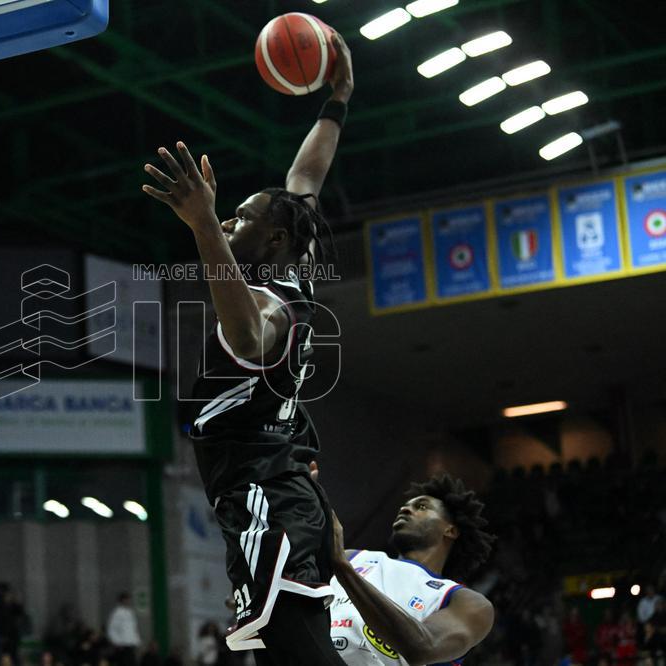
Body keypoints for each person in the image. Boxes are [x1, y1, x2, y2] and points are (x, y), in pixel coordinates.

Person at [142, 29, 354, 666]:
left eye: (241, 217)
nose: (231, 221)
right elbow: (306, 174)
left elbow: (244, 334)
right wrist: (337, 97)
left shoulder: (270, 306)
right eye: (227, 216)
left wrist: (205, 225)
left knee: (298, 652)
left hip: (267, 493)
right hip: (275, 489)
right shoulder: (299, 264)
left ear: (276, 239)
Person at [315, 470, 497, 665]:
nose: (405, 509)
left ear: (450, 530)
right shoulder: (354, 557)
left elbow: (422, 648)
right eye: (405, 505)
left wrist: (343, 568)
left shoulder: (464, 601)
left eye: (421, 506)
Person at [107, 592, 141, 666]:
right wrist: (117, 643)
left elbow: (134, 628)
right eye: (126, 599)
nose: (128, 601)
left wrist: (136, 641)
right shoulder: (117, 613)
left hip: (130, 644)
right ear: (121, 600)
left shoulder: (130, 613)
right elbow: (112, 629)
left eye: (129, 599)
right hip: (122, 645)